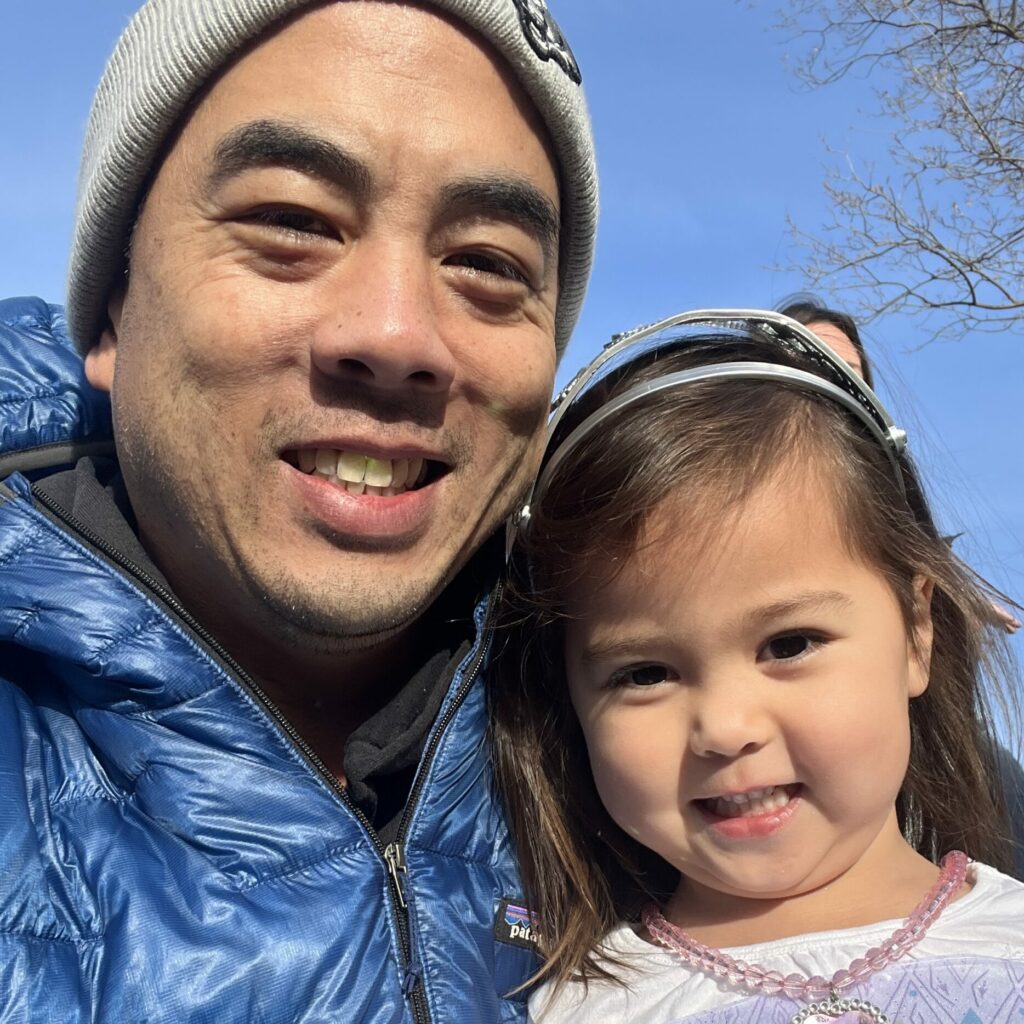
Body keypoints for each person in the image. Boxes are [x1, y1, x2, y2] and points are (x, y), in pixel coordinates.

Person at [0, 1, 597, 1021]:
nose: (398, 332)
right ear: (110, 309)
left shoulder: (660, 753)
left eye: (489, 263)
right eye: (291, 222)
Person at [491, 311, 1024, 1022]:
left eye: (790, 644)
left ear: (916, 633)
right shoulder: (576, 1006)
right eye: (645, 673)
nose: (726, 727)